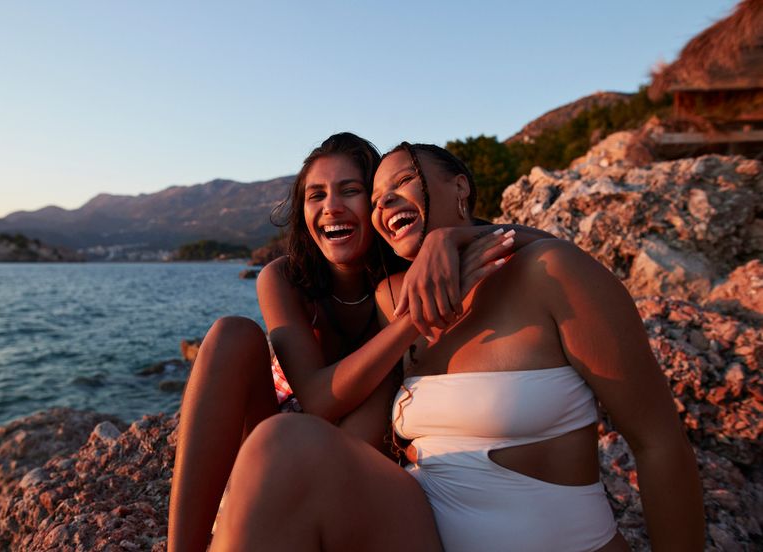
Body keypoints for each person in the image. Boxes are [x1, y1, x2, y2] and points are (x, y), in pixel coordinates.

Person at [210, 142, 704, 551]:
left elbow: (659, 444)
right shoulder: (392, 298)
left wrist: (457, 238)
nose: (385, 205)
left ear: (460, 188)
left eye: (402, 183)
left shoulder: (554, 273)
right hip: (420, 534)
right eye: (377, 198)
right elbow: (352, 433)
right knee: (283, 444)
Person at [168, 133, 545, 551]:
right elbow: (317, 401)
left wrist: (447, 238)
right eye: (316, 195)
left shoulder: (407, 270)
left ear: (379, 201)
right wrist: (408, 323)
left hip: (362, 454)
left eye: (351, 190)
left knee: (386, 376)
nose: (331, 207)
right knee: (231, 334)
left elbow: (541, 242)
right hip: (279, 440)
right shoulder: (283, 279)